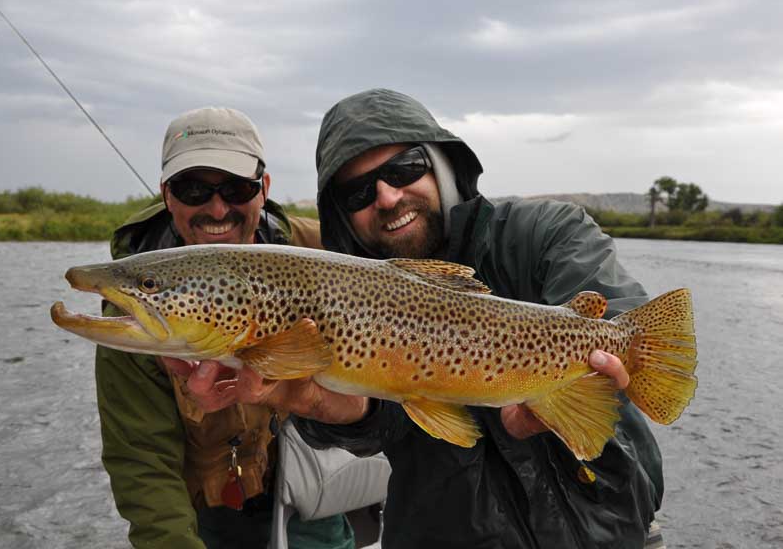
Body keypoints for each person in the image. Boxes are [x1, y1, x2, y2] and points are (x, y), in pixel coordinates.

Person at [227, 89, 666, 548]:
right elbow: (380, 421)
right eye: (357, 191)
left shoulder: (543, 231)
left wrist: (566, 381)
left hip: (612, 532)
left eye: (403, 169)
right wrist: (336, 409)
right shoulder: (344, 292)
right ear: (340, 214)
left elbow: (618, 309)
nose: (387, 196)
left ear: (440, 163)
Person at [94, 107, 355, 549]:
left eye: (236, 188)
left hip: (318, 483)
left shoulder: (326, 250)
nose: (217, 209)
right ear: (167, 195)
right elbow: (142, 463)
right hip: (213, 512)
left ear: (264, 189)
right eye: (193, 189)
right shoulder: (139, 310)